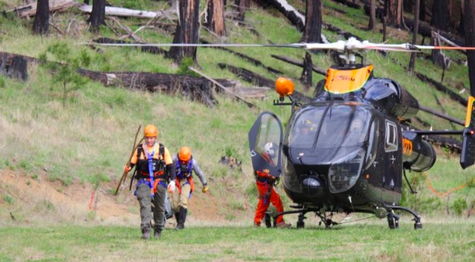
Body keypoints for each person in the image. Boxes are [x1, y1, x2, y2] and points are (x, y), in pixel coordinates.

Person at [124, 124, 176, 239]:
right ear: (144, 137)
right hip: (143, 181)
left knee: (160, 206)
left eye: (151, 138)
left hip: (160, 181)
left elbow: (170, 166)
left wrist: (172, 181)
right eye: (147, 138)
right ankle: (146, 231)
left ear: (155, 137)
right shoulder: (139, 150)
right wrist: (128, 168)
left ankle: (158, 229)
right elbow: (131, 164)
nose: (149, 140)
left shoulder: (162, 149)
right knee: (145, 205)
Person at [254, 142, 290, 228]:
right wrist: (271, 175)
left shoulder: (267, 158)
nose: (275, 152)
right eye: (274, 150)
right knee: (268, 203)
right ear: (269, 150)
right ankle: (277, 222)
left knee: (270, 202)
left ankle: (276, 222)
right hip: (264, 185)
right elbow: (260, 171)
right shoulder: (263, 159)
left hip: (267, 185)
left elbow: (271, 170)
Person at [171, 146, 209, 229]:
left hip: (186, 182)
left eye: (186, 161)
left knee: (183, 201)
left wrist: (204, 184)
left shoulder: (193, 162)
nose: (184, 162)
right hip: (175, 181)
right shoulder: (174, 159)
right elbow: (168, 169)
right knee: (174, 205)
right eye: (182, 161)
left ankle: (181, 224)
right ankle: (179, 223)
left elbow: (199, 173)